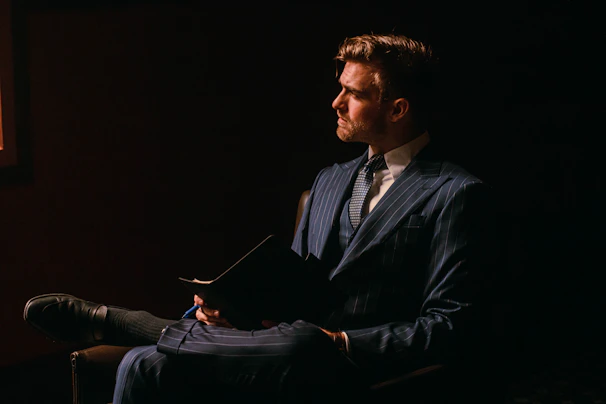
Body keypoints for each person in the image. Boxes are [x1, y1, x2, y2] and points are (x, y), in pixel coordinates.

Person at [24, 33, 498, 403]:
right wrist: (230, 311)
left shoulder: (455, 193)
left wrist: (343, 342)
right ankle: (165, 329)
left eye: (352, 94)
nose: (335, 103)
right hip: (281, 346)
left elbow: (450, 326)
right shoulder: (330, 179)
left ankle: (128, 323)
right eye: (339, 89)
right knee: (142, 366)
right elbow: (286, 289)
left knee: (305, 345)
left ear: (397, 109)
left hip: (352, 362)